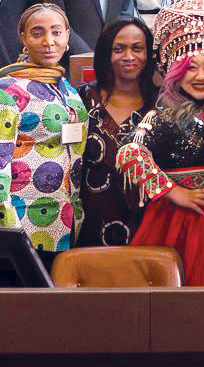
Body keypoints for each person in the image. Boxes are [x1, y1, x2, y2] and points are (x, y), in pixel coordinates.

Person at [120, 0, 204, 286]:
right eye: (190, 68)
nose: (200, 76)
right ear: (175, 71)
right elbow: (129, 153)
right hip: (180, 221)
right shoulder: (164, 115)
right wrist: (174, 193)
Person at [0, 3, 90, 262]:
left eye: (56, 32)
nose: (48, 42)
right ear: (23, 38)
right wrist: (8, 227)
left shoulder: (67, 89)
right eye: (37, 33)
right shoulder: (5, 90)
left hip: (68, 219)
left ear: (67, 37)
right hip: (25, 221)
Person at [77, 19, 157, 247]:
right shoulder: (82, 99)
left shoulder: (161, 104)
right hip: (89, 226)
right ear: (106, 53)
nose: (129, 56)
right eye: (119, 49)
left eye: (137, 48)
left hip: (145, 227)